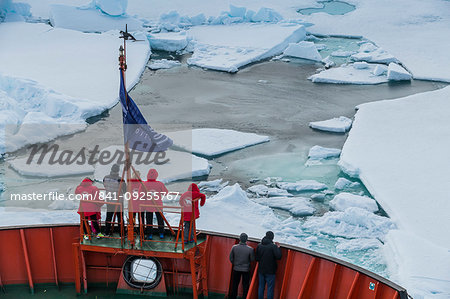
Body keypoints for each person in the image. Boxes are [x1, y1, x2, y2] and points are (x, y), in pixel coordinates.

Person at [138, 169, 168, 240]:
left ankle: (150, 234)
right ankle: (161, 233)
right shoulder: (160, 184)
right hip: (158, 205)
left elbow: (139, 195)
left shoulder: (144, 184)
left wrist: (146, 195)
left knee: (149, 220)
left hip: (148, 205)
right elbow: (166, 193)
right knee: (160, 219)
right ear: (156, 175)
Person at [255, 231, 282, 299]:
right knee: (270, 288)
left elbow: (257, 258)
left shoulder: (259, 245)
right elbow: (278, 257)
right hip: (270, 271)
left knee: (261, 287)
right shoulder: (273, 246)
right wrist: (278, 248)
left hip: (261, 270)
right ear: (272, 238)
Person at [229, 233, 255, 299]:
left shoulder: (234, 247)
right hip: (246, 269)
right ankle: (245, 297)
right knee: (245, 285)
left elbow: (231, 258)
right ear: (246, 240)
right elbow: (252, 259)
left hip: (236, 268)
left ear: (239, 239)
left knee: (235, 284)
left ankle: (233, 297)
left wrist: (235, 263)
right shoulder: (250, 249)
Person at [102, 164, 126, 236]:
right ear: (118, 170)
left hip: (109, 200)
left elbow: (105, 185)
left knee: (109, 217)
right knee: (120, 218)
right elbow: (125, 190)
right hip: (118, 201)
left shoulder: (105, 178)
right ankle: (122, 233)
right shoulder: (120, 179)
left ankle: (106, 232)